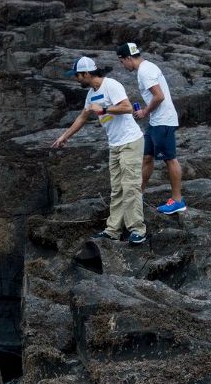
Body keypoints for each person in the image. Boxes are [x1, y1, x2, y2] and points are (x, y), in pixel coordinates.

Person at [51, 56, 147, 245]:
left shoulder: (111, 85)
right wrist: (65, 136)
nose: (76, 79)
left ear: (86, 73)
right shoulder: (91, 94)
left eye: (77, 75)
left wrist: (103, 110)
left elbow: (127, 108)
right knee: (117, 189)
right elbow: (82, 117)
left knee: (130, 186)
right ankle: (113, 230)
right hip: (115, 145)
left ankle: (138, 230)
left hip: (130, 141)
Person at [117, 42, 186, 215]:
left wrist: (145, 112)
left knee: (170, 159)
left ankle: (178, 201)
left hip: (163, 120)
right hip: (156, 121)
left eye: (121, 61)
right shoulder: (148, 67)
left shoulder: (145, 72)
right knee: (147, 157)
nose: (122, 65)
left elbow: (159, 96)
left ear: (127, 58)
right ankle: (137, 194)